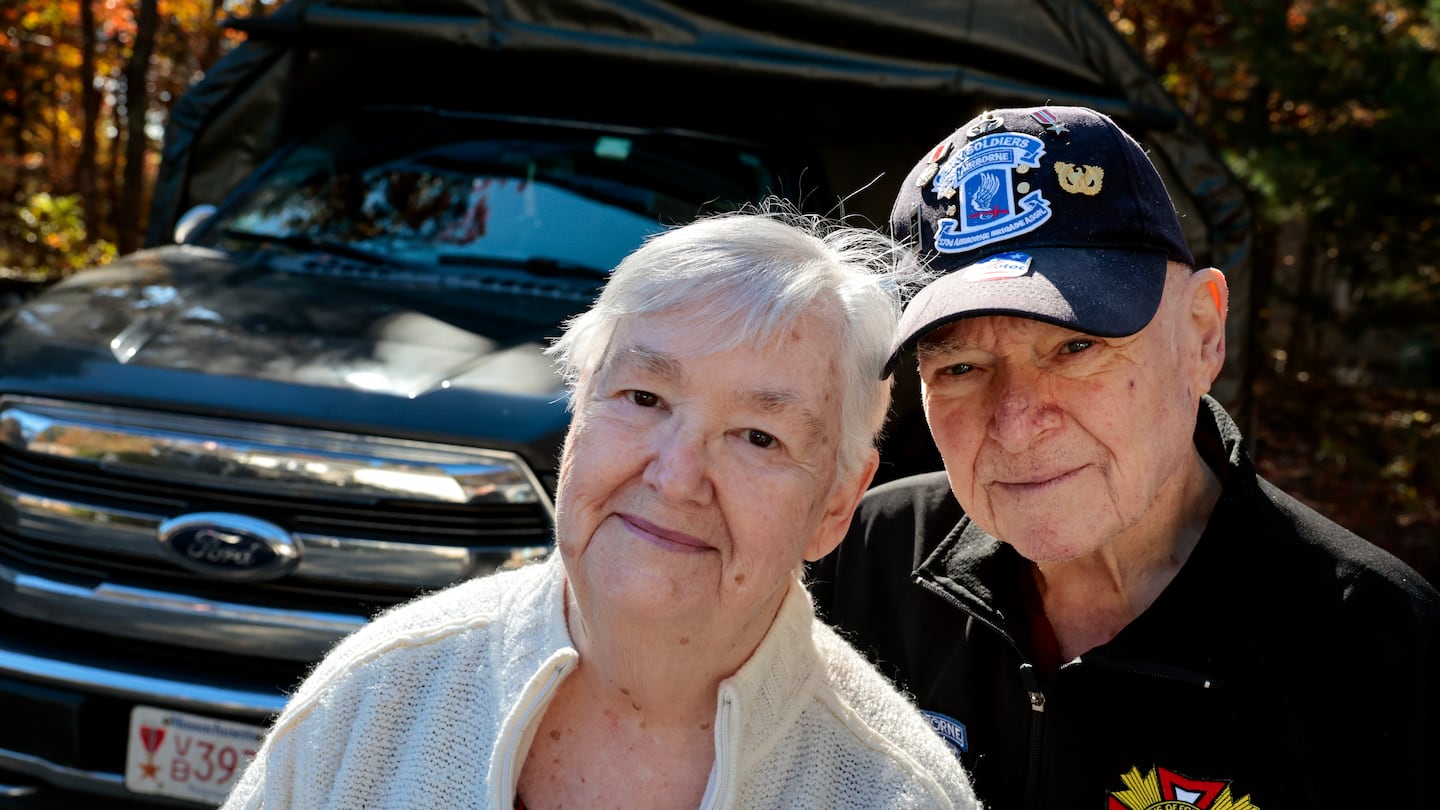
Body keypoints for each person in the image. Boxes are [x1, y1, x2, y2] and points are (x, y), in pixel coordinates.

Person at [220, 202, 981, 810]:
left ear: (837, 502)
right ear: (578, 411)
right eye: (643, 397)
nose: (677, 475)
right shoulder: (373, 702)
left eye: (757, 436)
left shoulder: (895, 793)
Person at [809, 105, 1440, 809]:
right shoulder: (854, 560)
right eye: (959, 367)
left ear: (1201, 333)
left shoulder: (1381, 652)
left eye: (1077, 348)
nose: (1016, 427)